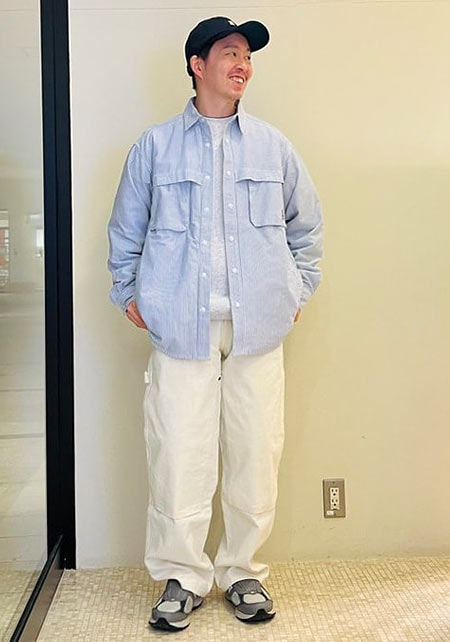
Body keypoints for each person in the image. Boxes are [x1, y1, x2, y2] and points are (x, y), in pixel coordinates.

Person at [107, 15, 323, 632]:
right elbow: (126, 230)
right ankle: (182, 577)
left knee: (256, 451)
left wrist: (297, 289)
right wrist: (128, 291)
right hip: (181, 328)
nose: (243, 64)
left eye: (247, 56)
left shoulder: (273, 147)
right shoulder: (154, 147)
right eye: (230, 53)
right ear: (198, 65)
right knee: (179, 454)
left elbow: (307, 229)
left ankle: (243, 572)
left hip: (258, 329)